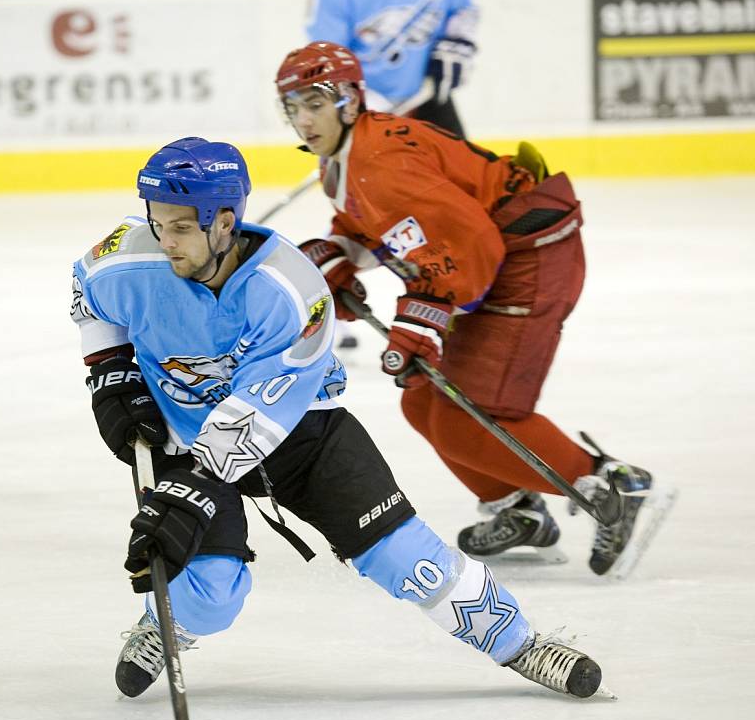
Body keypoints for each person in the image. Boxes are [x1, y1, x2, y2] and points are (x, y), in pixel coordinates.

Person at [71, 137, 609, 700]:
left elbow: (264, 406)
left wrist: (197, 488)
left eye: (180, 228)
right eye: (158, 224)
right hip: (184, 436)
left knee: (409, 562)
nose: (165, 241)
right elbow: (87, 294)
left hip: (302, 432)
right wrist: (112, 375)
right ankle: (170, 620)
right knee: (210, 597)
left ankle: (520, 644)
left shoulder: (292, 289)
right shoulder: (128, 257)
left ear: (224, 222)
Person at [275, 41, 672, 578]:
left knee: (473, 414)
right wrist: (341, 252)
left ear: (348, 99)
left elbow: (470, 244)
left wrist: (423, 319)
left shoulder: (376, 161)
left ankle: (611, 485)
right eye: (292, 106)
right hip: (499, 258)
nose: (302, 119)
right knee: (423, 402)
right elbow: (383, 222)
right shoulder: (347, 160)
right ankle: (520, 510)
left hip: (527, 259)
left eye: (313, 103)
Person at [305, 0, 477, 137]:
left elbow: (463, 11)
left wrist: (455, 45)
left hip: (427, 96)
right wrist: (357, 102)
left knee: (466, 167)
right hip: (363, 109)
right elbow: (328, 58)